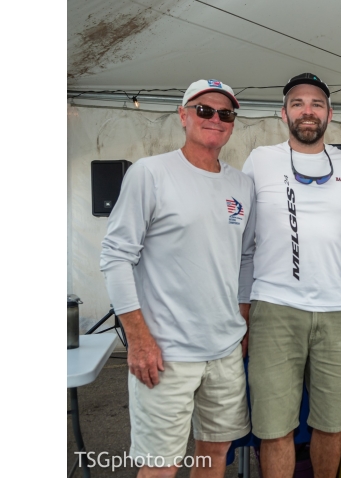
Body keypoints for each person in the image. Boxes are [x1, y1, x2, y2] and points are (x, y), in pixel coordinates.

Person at [100, 79, 253, 478]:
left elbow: (245, 259)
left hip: (224, 351)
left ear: (232, 124)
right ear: (183, 116)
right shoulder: (150, 174)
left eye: (225, 113)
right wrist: (138, 338)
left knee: (215, 455)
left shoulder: (242, 184)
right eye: (204, 110)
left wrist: (243, 320)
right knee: (160, 467)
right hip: (165, 352)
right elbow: (115, 256)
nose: (215, 119)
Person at [238, 73, 341, 478]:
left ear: (329, 113)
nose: (307, 111)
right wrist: (242, 310)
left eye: (316, 104)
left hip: (337, 312)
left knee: (331, 425)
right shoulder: (259, 160)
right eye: (297, 103)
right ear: (283, 112)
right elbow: (242, 240)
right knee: (275, 429)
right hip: (274, 309)